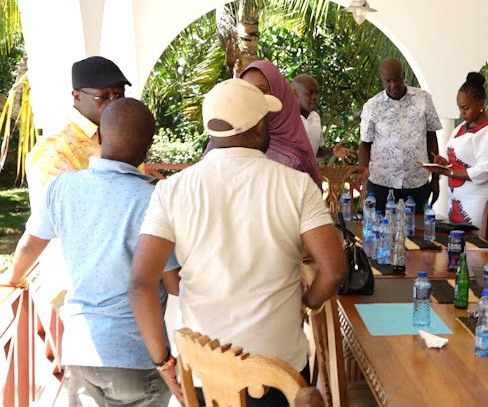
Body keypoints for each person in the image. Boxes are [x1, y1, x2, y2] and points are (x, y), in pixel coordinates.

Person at [130, 79, 347, 407]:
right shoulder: (297, 186)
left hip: (203, 368)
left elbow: (140, 283)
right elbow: (333, 271)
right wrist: (304, 304)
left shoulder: (171, 190)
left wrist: (162, 361)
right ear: (260, 127)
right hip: (279, 370)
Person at [5, 98, 180, 407]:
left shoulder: (61, 188)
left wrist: (12, 279)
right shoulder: (153, 199)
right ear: (148, 147)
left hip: (80, 352)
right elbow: (171, 281)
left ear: (99, 137)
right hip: (138, 358)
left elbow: (30, 244)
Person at [26, 55, 131, 208]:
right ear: (77, 96)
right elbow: (58, 217)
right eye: (103, 96)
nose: (114, 102)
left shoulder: (120, 135)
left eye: (119, 95)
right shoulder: (53, 149)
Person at [205, 61, 323, 187]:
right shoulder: (221, 144)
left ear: (279, 94)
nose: (251, 97)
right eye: (246, 90)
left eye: (261, 90)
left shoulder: (292, 161)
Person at [358, 57, 442, 213]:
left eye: (398, 79)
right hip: (381, 183)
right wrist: (363, 168)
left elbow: (431, 137)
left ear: (404, 75)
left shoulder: (423, 99)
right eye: (388, 81)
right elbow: (365, 143)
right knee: (380, 232)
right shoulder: (372, 106)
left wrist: (436, 178)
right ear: (381, 80)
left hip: (416, 183)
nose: (393, 85)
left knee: (414, 233)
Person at [424, 72, 488, 228]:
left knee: (474, 246)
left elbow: (485, 169)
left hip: (480, 201)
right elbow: (462, 161)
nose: (462, 112)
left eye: (466, 108)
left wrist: (450, 173)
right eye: (460, 108)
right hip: (457, 201)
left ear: (481, 104)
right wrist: (445, 164)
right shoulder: (462, 127)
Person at [292, 74, 355, 162]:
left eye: (316, 93)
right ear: (295, 94)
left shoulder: (315, 118)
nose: (315, 97)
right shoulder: (283, 119)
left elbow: (316, 152)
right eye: (309, 93)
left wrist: (333, 151)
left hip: (308, 174)